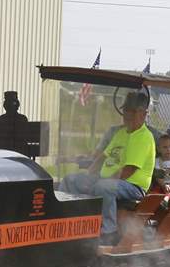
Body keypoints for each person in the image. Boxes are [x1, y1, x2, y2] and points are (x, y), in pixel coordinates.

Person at [58, 91, 155, 246]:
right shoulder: (121, 133)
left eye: (132, 111)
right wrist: (88, 174)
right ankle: (68, 224)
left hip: (133, 186)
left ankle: (108, 231)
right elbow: (102, 157)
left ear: (143, 114)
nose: (127, 114)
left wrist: (99, 182)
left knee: (104, 186)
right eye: (126, 110)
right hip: (110, 180)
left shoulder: (144, 137)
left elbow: (128, 170)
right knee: (71, 180)